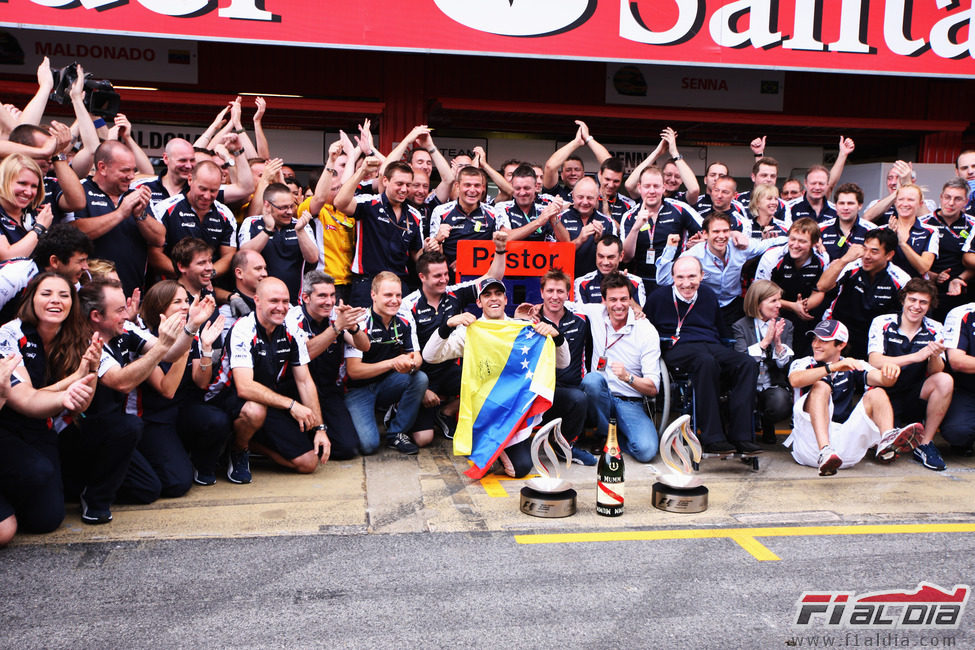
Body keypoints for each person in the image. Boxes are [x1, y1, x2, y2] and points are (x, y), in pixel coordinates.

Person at [76, 277, 199, 523]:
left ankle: (83, 483)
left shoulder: (125, 330)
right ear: (96, 317)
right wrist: (162, 345)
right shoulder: (84, 342)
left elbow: (172, 352)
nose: (128, 313)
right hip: (79, 430)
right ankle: (90, 495)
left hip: (115, 430)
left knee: (148, 489)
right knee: (129, 426)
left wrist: (191, 326)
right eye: (120, 310)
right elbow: (121, 382)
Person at [422, 277, 569, 477]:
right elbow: (429, 356)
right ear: (479, 302)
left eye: (498, 294)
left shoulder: (522, 328)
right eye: (487, 295)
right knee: (514, 467)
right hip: (484, 414)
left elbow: (563, 363)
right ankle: (487, 445)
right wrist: (447, 326)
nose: (494, 299)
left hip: (513, 412)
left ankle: (499, 449)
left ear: (506, 300)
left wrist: (556, 336)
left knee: (521, 469)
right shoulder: (470, 331)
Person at [0, 273, 98, 541]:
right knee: (36, 472)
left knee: (47, 520)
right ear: (31, 299)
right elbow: (27, 401)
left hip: (42, 430)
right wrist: (66, 391)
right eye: (46, 294)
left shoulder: (80, 336)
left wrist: (89, 372)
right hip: (7, 428)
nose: (55, 300)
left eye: (63, 295)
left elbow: (82, 403)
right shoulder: (9, 333)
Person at [645, 256, 761, 455]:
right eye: (680, 277)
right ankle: (712, 437)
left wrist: (729, 352)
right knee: (706, 362)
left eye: (692, 276)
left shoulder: (708, 295)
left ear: (702, 276)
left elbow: (721, 330)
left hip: (710, 344)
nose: (686, 283)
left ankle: (741, 436)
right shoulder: (658, 297)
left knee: (747, 363)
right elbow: (647, 331)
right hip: (677, 347)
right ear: (672, 277)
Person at [217, 277, 327, 483]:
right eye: (274, 301)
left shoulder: (291, 328)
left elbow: (304, 381)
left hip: (268, 398)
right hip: (228, 398)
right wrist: (291, 405)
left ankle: (250, 443)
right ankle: (238, 449)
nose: (281, 307)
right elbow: (244, 387)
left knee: (308, 463)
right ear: (257, 300)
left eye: (285, 301)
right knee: (254, 410)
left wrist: (320, 429)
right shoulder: (242, 329)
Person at [400, 232, 508, 438]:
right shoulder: (408, 304)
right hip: (420, 374)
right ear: (422, 277)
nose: (444, 280)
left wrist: (500, 249)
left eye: (445, 274)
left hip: (449, 369)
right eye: (437, 276)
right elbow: (405, 353)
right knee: (423, 439)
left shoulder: (454, 292)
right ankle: (402, 405)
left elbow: (491, 279)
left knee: (492, 379)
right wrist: (421, 388)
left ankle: (447, 411)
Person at [786, 319, 922, 476]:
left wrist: (890, 371)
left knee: (876, 392)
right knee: (821, 386)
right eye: (815, 339)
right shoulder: (804, 362)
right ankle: (825, 451)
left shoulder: (853, 364)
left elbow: (884, 380)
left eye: (823, 341)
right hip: (809, 447)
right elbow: (795, 380)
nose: (816, 344)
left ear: (841, 345)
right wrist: (832, 367)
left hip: (845, 451)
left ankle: (887, 441)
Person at [134, 280, 230, 490]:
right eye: (177, 302)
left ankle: (201, 466)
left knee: (217, 420)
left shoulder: (190, 333)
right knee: (177, 484)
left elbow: (201, 382)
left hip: (182, 409)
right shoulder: (145, 338)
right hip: (155, 417)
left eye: (186, 300)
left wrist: (205, 348)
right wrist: (184, 344)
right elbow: (166, 390)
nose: (185, 306)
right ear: (160, 307)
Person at [574, 272, 661, 463]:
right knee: (592, 380)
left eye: (624, 299)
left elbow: (653, 388)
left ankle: (616, 438)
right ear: (604, 300)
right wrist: (534, 309)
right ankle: (606, 436)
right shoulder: (596, 313)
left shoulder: (646, 330)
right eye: (613, 300)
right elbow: (559, 304)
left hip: (629, 401)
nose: (619, 305)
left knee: (646, 451)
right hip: (599, 398)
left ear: (631, 300)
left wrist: (628, 377)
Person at [867, 278, 952, 471]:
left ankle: (925, 444)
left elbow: (936, 371)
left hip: (915, 393)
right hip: (885, 391)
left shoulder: (936, 327)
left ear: (930, 305)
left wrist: (935, 356)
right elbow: (875, 360)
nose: (916, 306)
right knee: (879, 448)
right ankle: (889, 433)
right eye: (912, 300)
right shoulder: (882, 322)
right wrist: (916, 356)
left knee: (945, 380)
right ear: (903, 300)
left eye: (923, 302)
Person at [344, 271, 429, 456]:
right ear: (373, 295)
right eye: (388, 295)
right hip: (357, 390)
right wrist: (393, 363)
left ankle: (397, 432)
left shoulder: (405, 318)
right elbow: (354, 371)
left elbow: (417, 357)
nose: (395, 300)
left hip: (387, 385)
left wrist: (410, 364)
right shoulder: (359, 321)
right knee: (368, 446)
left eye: (398, 295)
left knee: (419, 378)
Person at [286, 271, 368, 461]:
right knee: (305, 452)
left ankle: (317, 435)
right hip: (297, 390)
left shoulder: (335, 317)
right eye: (322, 296)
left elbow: (364, 346)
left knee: (348, 448)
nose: (329, 301)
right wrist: (337, 328)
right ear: (305, 297)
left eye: (332, 295)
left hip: (329, 391)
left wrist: (352, 326)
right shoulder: (293, 318)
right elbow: (305, 353)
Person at [68, 141, 165, 296]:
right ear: (102, 167)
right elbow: (72, 234)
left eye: (134, 170)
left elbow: (159, 238)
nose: (131, 176)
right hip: (88, 296)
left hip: (132, 295)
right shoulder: (80, 190)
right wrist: (120, 213)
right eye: (125, 170)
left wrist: (141, 215)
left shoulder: (135, 194)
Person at [334, 158, 431, 307]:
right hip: (367, 284)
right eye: (399, 184)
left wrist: (428, 249)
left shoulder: (415, 215)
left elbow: (417, 256)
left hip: (398, 285)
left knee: (399, 330)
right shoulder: (369, 203)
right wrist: (362, 171)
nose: (404, 189)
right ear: (385, 181)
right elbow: (340, 202)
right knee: (362, 330)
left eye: (408, 185)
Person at [657, 213, 784, 326]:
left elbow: (769, 244)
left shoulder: (739, 247)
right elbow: (663, 280)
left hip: (734, 305)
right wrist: (670, 248)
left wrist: (795, 240)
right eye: (716, 232)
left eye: (725, 231)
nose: (721, 236)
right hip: (704, 306)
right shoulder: (694, 255)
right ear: (705, 234)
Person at [813, 229, 910, 360]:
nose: (867, 256)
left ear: (889, 255)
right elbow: (821, 286)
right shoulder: (851, 266)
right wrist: (844, 259)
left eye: (874, 251)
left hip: (872, 336)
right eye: (865, 248)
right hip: (839, 329)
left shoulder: (901, 280)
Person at [536, 268, 595, 465]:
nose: (555, 296)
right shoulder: (531, 322)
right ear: (542, 292)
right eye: (550, 291)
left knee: (581, 396)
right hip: (539, 391)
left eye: (560, 291)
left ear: (568, 294)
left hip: (570, 391)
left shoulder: (580, 321)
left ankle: (564, 445)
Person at [621, 166, 702, 297]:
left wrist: (699, 243)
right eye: (647, 186)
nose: (652, 191)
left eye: (656, 186)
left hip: (673, 282)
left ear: (663, 187)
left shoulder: (680, 209)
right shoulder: (630, 216)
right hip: (640, 282)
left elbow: (709, 230)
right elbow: (626, 257)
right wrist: (636, 227)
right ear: (640, 187)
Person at [152, 161, 238, 279]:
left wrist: (208, 275)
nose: (207, 196)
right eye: (202, 189)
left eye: (213, 191)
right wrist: (185, 277)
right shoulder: (165, 209)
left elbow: (229, 256)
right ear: (190, 180)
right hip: (170, 286)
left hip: (210, 285)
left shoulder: (226, 215)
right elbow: (154, 253)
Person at [733, 280, 794, 444]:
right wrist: (765, 342)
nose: (779, 305)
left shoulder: (786, 325)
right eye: (773, 301)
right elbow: (740, 359)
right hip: (749, 383)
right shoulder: (740, 326)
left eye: (779, 300)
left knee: (780, 402)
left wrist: (779, 346)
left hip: (771, 384)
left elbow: (786, 366)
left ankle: (768, 422)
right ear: (758, 303)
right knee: (741, 399)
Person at [755, 218, 828, 355]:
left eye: (802, 241)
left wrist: (803, 308)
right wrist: (793, 306)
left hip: (805, 313)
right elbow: (758, 295)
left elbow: (820, 291)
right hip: (772, 310)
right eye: (792, 239)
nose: (795, 245)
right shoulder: (772, 257)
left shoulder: (822, 259)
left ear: (813, 243)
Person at [238, 182, 319, 302]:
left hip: (294, 302)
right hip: (257, 300)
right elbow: (245, 256)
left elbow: (313, 258)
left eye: (292, 206)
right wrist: (268, 230)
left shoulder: (301, 225)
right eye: (283, 207)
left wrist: (300, 231)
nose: (290, 212)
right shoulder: (252, 223)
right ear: (267, 205)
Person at [0, 223, 92, 322]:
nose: (85, 267)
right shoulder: (13, 275)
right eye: (80, 261)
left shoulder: (74, 285)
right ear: (55, 261)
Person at [428, 166, 508, 269]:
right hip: (449, 276)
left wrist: (467, 261)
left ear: (483, 188)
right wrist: (437, 240)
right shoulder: (441, 211)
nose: (472, 190)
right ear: (457, 186)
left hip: (482, 274)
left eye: (477, 185)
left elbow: (498, 248)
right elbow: (433, 253)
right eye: (467, 185)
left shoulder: (493, 212)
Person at [926, 178, 975, 321]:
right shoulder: (924, 222)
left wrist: (959, 278)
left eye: (958, 199)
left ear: (966, 202)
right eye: (947, 197)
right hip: (929, 291)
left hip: (964, 289)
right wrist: (934, 275)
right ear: (941, 197)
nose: (951, 203)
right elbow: (911, 261)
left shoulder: (972, 224)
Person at [552, 176, 617, 278]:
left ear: (597, 199)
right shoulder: (558, 219)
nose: (585, 202)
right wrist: (579, 240)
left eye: (590, 198)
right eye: (580, 197)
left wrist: (599, 241)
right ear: (573, 196)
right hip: (564, 282)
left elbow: (614, 258)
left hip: (596, 285)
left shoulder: (607, 222)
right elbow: (554, 256)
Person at [541, 120, 611, 202]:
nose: (573, 173)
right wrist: (576, 142)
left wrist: (588, 139)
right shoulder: (556, 194)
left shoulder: (594, 189)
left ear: (583, 174)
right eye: (568, 170)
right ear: (562, 175)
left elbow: (610, 166)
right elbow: (550, 167)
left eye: (577, 169)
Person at [0, 153, 53, 261]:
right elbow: (7, 257)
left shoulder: (38, 213)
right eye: (22, 183)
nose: (28, 192)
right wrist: (39, 228)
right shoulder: (41, 222)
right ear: (4, 180)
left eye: (34, 186)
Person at [574, 234, 646, 306]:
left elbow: (642, 314)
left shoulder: (636, 282)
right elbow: (580, 315)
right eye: (601, 256)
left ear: (621, 256)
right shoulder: (581, 283)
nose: (605, 262)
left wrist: (626, 293)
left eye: (610, 257)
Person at [883, 184, 938, 278]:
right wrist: (890, 238)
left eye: (911, 200)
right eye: (901, 199)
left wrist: (901, 242)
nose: (905, 204)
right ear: (895, 202)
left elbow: (923, 268)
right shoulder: (880, 230)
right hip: (886, 287)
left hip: (916, 288)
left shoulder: (930, 231)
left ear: (920, 204)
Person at [495, 164, 560, 243]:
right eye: (517, 188)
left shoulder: (544, 209)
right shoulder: (502, 207)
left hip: (541, 254)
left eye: (526, 188)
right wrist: (538, 222)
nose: (522, 193)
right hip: (512, 254)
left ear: (536, 187)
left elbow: (565, 242)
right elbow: (504, 237)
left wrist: (554, 219)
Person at [819, 183, 876, 263]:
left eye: (850, 203)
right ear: (835, 206)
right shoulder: (820, 230)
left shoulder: (872, 231)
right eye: (841, 203)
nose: (845, 208)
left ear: (859, 206)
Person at [218, 249, 267, 338]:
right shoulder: (227, 311)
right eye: (258, 269)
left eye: (265, 268)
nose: (264, 273)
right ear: (239, 273)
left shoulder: (275, 303)